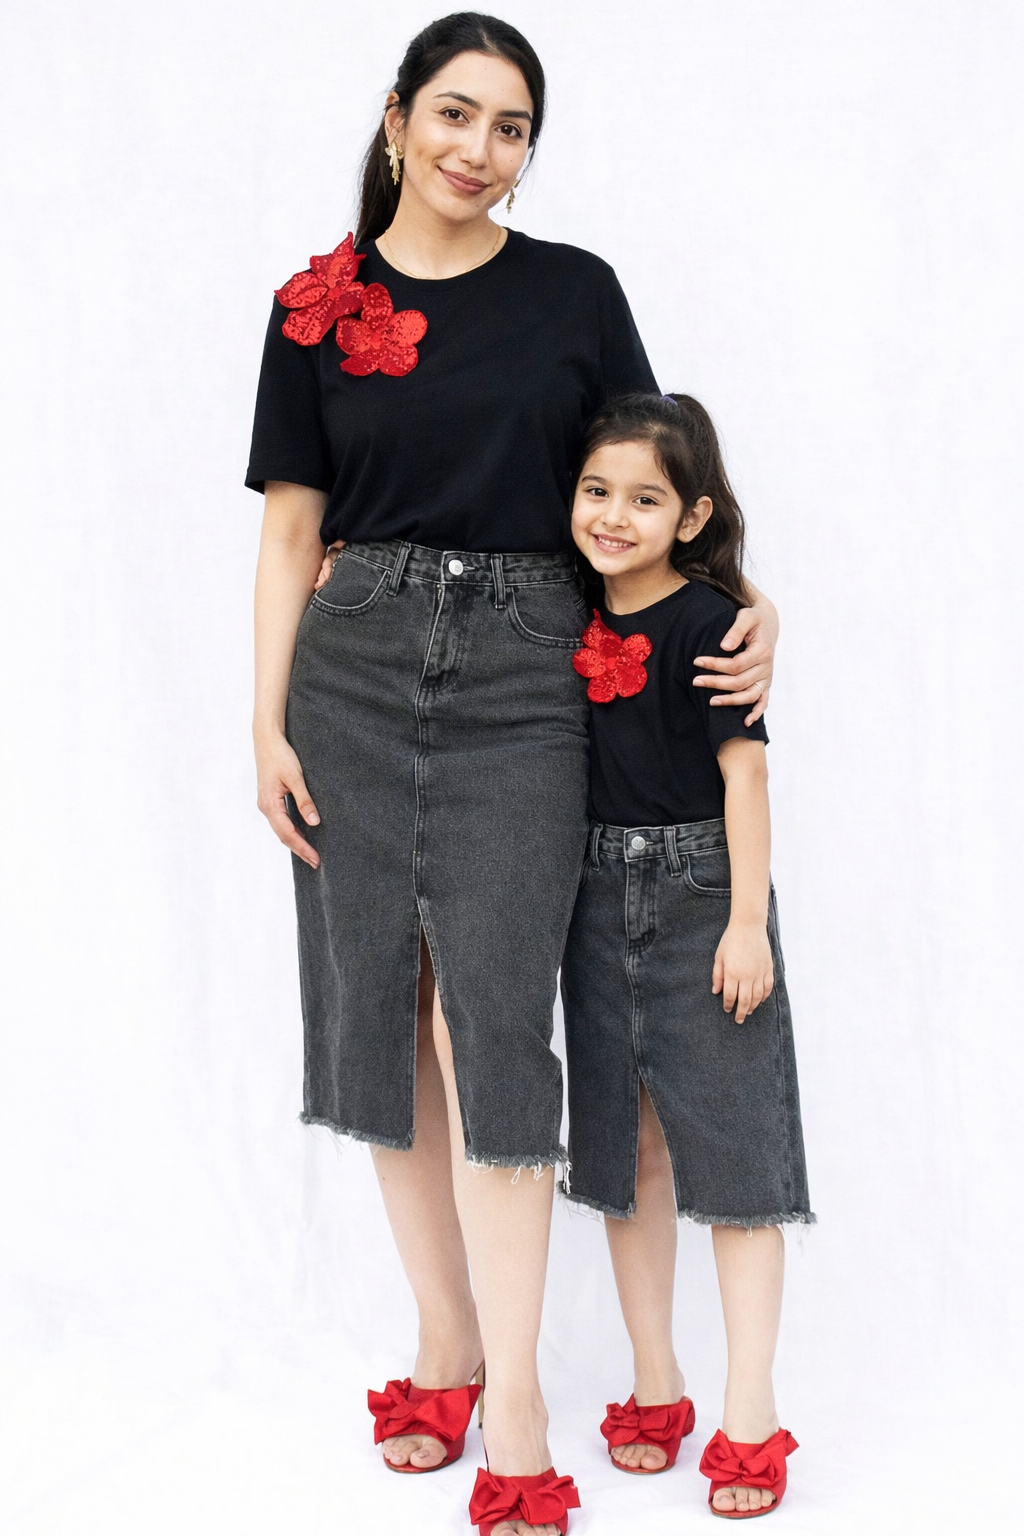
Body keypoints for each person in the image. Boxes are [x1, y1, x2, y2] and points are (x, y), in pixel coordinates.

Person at [246, 15, 778, 1535]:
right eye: (455, 114)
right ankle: (450, 1345)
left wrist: (746, 602)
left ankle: (524, 1401)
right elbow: (290, 532)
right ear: (397, 118)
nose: (479, 149)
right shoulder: (312, 307)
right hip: (350, 673)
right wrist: (265, 725)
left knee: (493, 1025)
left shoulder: (574, 292)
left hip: (529, 680)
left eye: (512, 127)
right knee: (381, 1014)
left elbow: (659, 477)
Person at [562, 392, 812, 1520]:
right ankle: (654, 1378)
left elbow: (743, 775)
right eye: (596, 491)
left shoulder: (714, 622)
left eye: (645, 499)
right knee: (629, 1154)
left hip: (702, 893)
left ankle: (749, 1408)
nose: (614, 517)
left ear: (693, 515)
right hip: (587, 897)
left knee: (737, 1159)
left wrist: (745, 921)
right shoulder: (562, 606)